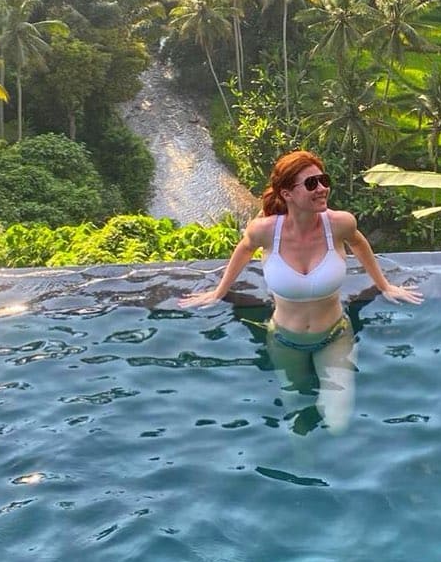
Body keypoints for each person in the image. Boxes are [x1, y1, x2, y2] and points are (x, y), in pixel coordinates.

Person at [179, 150, 422, 432]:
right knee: (296, 420)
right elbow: (244, 249)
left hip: (334, 336)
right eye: (311, 183)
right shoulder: (265, 231)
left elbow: (359, 243)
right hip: (285, 340)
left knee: (337, 423)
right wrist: (219, 291)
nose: (322, 188)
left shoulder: (340, 224)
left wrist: (385, 285)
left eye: (323, 180)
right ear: (287, 194)